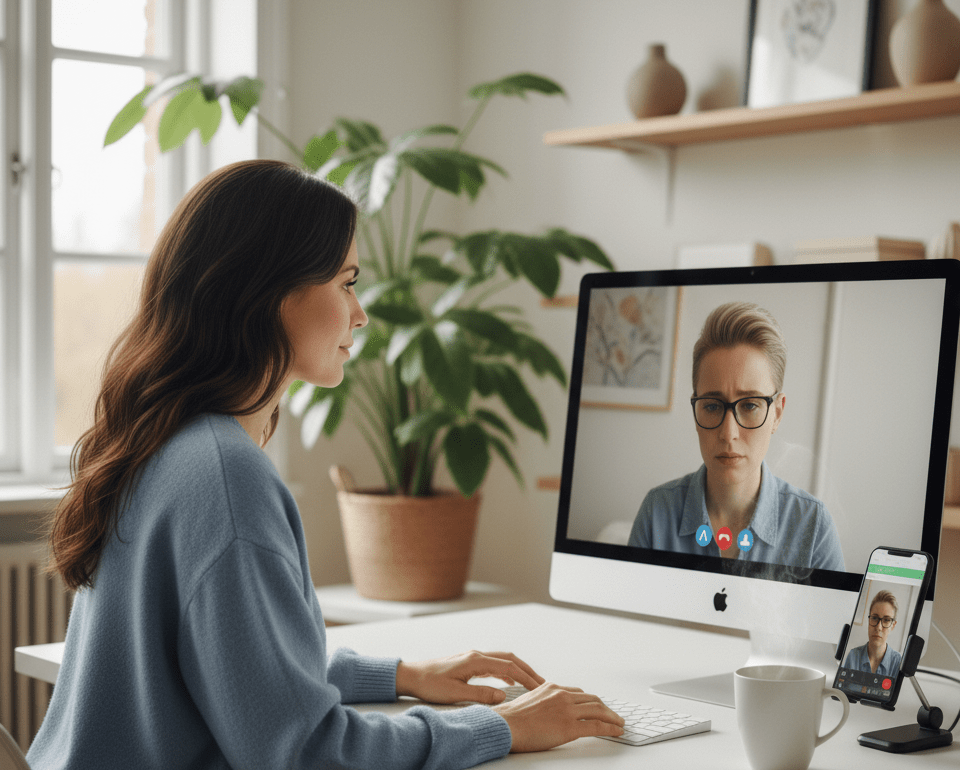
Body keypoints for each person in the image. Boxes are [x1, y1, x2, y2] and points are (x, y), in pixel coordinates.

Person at [28, 160, 624, 769]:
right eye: (346, 283)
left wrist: (403, 675)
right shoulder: (226, 477)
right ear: (269, 293)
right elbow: (308, 754)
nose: (360, 315)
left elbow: (242, 667)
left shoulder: (167, 440)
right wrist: (498, 726)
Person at [628, 301, 844, 571]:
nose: (728, 434)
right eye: (712, 406)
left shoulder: (813, 529)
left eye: (750, 405)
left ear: (776, 413)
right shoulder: (656, 513)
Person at [843, 590, 902, 676]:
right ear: (869, 619)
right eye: (874, 618)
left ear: (893, 625)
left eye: (886, 620)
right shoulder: (853, 656)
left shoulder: (898, 662)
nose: (878, 627)